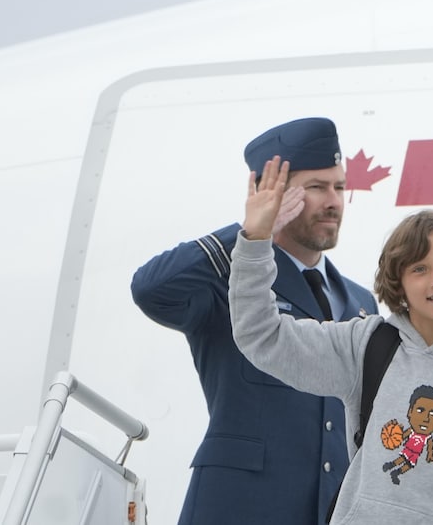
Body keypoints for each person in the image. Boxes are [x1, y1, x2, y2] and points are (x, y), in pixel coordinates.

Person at [228, 156, 433, 524]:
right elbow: (262, 336)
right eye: (420, 268)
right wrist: (256, 240)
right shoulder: (367, 345)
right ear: (398, 282)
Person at [131, 117, 378, 524]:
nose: (333, 201)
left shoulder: (361, 303)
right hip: (239, 508)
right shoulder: (229, 275)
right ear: (271, 193)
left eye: (339, 187)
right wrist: (250, 233)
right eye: (316, 187)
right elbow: (150, 289)